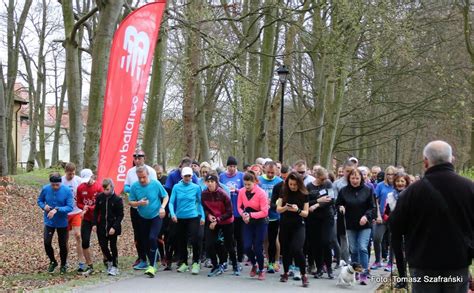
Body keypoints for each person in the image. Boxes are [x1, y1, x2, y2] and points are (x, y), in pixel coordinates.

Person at [390, 140, 474, 293]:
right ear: (452, 160)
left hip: (423, 265)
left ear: (425, 162)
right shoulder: (469, 188)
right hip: (457, 263)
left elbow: (395, 231)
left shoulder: (411, 193)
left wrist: (402, 274)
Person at [336, 168, 376, 285]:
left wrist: (366, 216)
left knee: (362, 247)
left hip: (365, 224)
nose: (354, 180)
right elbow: (338, 203)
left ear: (361, 179)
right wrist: (340, 207)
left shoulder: (367, 190)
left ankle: (364, 274)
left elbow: (372, 207)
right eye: (352, 178)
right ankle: (355, 272)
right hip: (350, 224)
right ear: (349, 179)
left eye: (357, 178)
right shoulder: (344, 191)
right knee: (353, 249)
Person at [129, 166, 169, 277]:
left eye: (144, 177)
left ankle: (152, 266)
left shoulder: (155, 184)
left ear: (148, 175)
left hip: (156, 216)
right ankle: (152, 260)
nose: (142, 180)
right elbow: (130, 202)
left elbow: (165, 196)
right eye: (139, 177)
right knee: (145, 241)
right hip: (142, 217)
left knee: (152, 237)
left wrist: (162, 207)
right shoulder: (135, 186)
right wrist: (139, 203)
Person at [124, 150, 157, 269]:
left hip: (148, 207)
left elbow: (155, 188)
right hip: (135, 206)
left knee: (149, 234)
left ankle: (152, 256)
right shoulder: (130, 172)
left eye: (140, 158)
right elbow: (126, 186)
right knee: (138, 234)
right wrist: (130, 189)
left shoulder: (151, 171)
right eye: (135, 158)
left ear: (144, 158)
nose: (137, 160)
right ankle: (142, 258)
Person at [169, 167, 205, 275]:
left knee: (195, 240)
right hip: (180, 217)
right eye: (186, 176)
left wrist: (202, 216)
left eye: (189, 176)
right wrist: (172, 214)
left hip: (193, 216)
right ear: (182, 176)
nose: (188, 178)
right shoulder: (176, 187)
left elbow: (200, 203)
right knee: (181, 241)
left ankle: (195, 262)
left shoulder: (196, 187)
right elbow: (171, 202)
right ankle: (184, 263)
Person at [276, 172, 310, 287]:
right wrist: (286, 207)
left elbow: (306, 213)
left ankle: (303, 274)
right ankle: (285, 272)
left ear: (299, 184)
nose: (292, 186)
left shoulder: (304, 194)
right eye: (290, 184)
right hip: (285, 225)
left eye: (295, 184)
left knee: (297, 249)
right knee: (285, 250)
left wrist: (297, 210)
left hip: (298, 225)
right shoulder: (284, 191)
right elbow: (278, 209)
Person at [201, 174, 238, 276]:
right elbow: (205, 208)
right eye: (208, 182)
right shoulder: (204, 194)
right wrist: (209, 216)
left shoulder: (223, 194)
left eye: (212, 182)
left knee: (229, 244)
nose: (210, 184)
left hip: (226, 221)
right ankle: (216, 265)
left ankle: (235, 265)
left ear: (216, 182)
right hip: (213, 220)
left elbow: (230, 212)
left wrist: (217, 219)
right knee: (209, 244)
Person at [37, 172, 73, 274]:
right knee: (47, 242)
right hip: (49, 221)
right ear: (50, 183)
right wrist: (44, 207)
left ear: (61, 183)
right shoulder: (46, 189)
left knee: (62, 244)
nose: (55, 187)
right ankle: (53, 261)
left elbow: (70, 207)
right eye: (53, 185)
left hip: (62, 222)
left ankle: (63, 264)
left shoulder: (67, 191)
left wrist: (57, 209)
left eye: (57, 184)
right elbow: (39, 200)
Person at [237, 172, 269, 280]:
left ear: (254, 182)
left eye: (248, 185)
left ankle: (261, 269)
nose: (246, 187)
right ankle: (254, 264)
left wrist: (250, 215)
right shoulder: (241, 191)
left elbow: (265, 212)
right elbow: (239, 207)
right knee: (246, 246)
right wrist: (244, 215)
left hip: (260, 222)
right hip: (248, 221)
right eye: (245, 184)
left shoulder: (261, 193)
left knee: (257, 247)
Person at [306, 167, 335, 279]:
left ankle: (329, 267)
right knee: (316, 243)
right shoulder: (309, 186)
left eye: (325, 178)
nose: (324, 181)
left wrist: (317, 205)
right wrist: (317, 201)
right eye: (322, 179)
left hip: (327, 217)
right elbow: (306, 202)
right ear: (316, 177)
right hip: (313, 219)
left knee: (326, 242)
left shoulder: (328, 184)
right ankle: (319, 268)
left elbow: (331, 199)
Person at [382, 172, 410, 283]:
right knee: (397, 253)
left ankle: (410, 275)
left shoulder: (410, 195)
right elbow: (386, 212)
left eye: (402, 181)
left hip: (408, 228)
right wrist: (389, 219)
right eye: (398, 181)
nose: (400, 183)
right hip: (395, 228)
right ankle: (402, 278)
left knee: (408, 253)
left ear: (406, 182)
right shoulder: (390, 196)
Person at [93, 179, 124, 276]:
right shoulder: (100, 197)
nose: (105, 191)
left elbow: (120, 215)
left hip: (113, 227)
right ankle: (109, 260)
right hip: (101, 226)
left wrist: (114, 227)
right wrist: (94, 224)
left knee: (113, 246)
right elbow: (96, 211)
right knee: (103, 246)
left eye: (107, 189)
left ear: (112, 187)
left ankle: (115, 265)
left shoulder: (117, 199)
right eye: (104, 189)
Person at [219, 156, 245, 270]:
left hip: (238, 210)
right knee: (229, 237)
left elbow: (245, 190)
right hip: (227, 211)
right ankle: (228, 257)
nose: (232, 168)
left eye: (234, 166)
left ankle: (239, 258)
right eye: (230, 166)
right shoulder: (222, 176)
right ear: (227, 166)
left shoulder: (241, 176)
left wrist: (237, 191)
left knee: (239, 236)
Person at [258, 161, 283, 274]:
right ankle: (268, 260)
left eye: (273, 173)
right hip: (262, 214)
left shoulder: (279, 182)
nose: (270, 174)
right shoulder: (259, 180)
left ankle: (276, 261)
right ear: (264, 169)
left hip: (274, 213)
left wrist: (275, 203)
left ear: (277, 171)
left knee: (275, 239)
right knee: (265, 239)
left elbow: (283, 198)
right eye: (268, 172)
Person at [77, 169, 103, 275]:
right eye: (85, 180)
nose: (87, 182)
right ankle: (89, 265)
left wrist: (90, 208)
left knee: (103, 241)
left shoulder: (99, 187)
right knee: (85, 242)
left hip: (98, 218)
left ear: (93, 176)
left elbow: (101, 203)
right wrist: (84, 207)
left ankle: (107, 260)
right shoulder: (80, 187)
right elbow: (78, 202)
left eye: (89, 179)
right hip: (86, 219)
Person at [371, 165, 396, 270]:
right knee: (376, 239)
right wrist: (378, 215)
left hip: (394, 217)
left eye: (392, 174)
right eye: (388, 174)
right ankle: (377, 261)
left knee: (393, 241)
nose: (390, 176)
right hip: (381, 216)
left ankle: (390, 263)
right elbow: (375, 200)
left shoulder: (397, 185)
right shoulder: (380, 185)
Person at [61, 162, 85, 272]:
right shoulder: (61, 181)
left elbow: (85, 192)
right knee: (64, 238)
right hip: (65, 213)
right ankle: (65, 261)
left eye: (73, 173)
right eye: (69, 174)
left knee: (78, 235)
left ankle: (81, 262)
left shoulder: (78, 180)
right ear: (66, 172)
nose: (71, 176)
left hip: (76, 212)